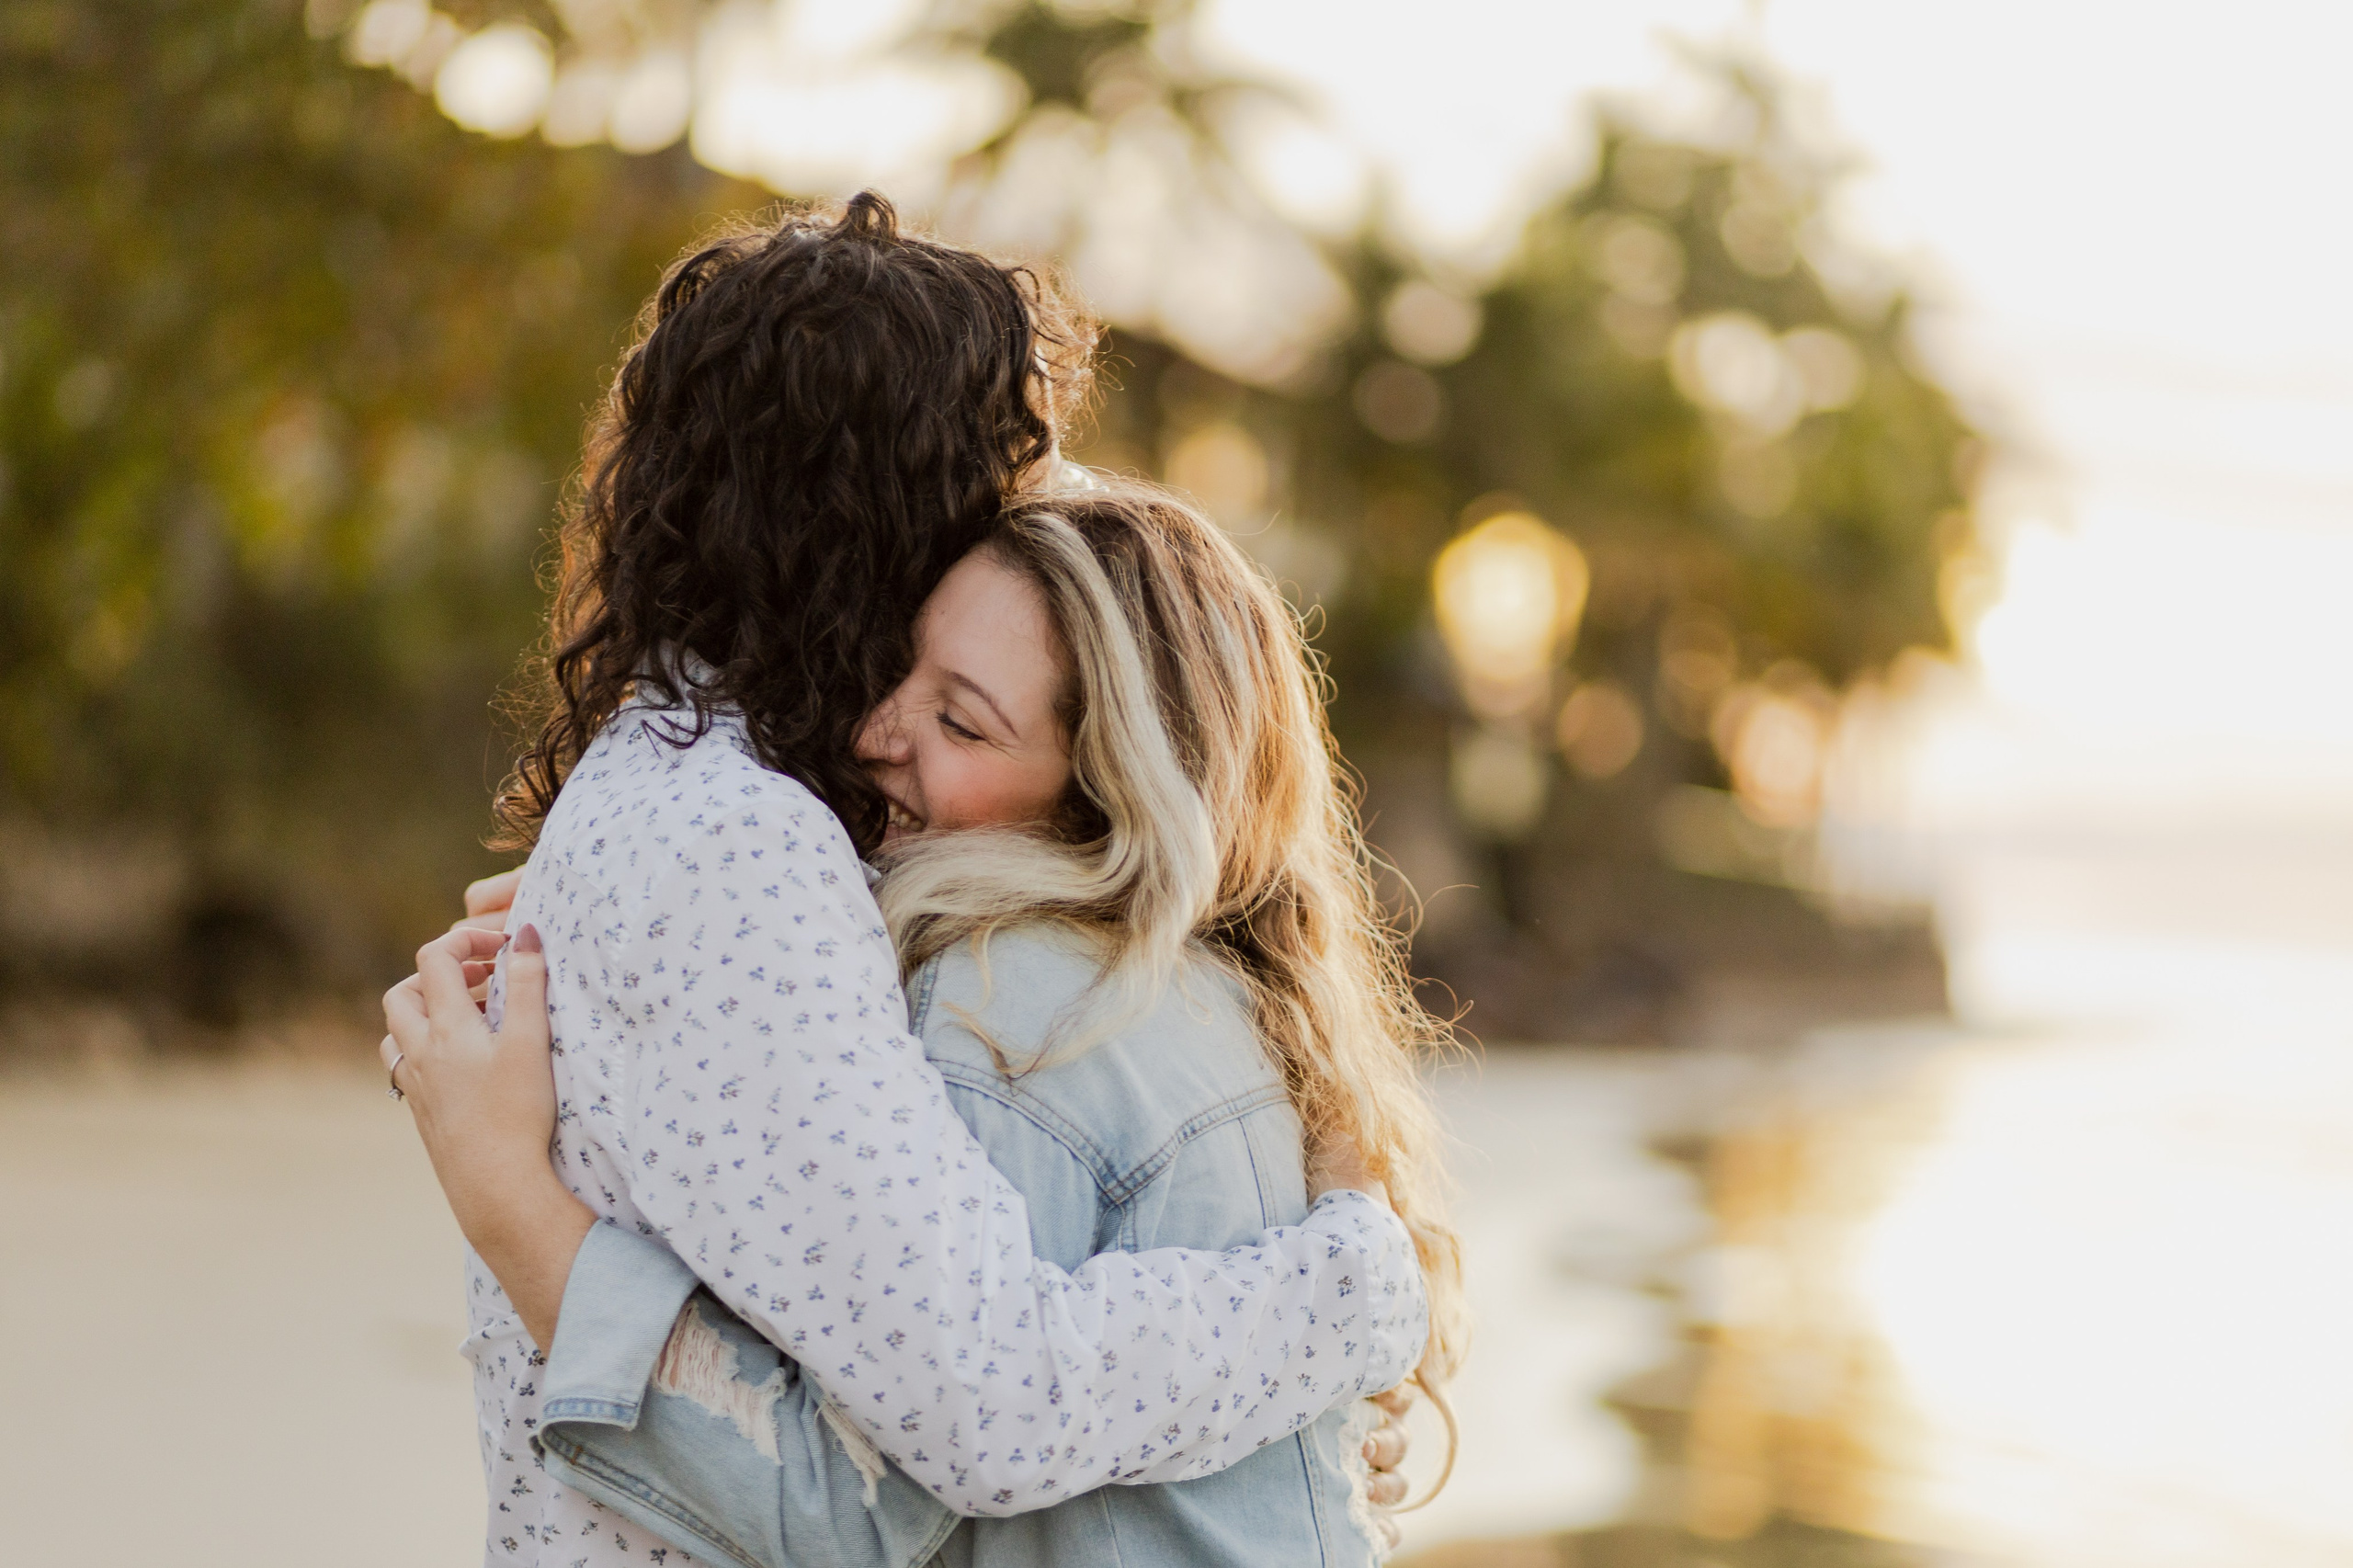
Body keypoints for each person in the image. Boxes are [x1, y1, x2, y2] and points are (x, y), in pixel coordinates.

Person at [377, 196, 1435, 1568]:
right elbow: (986, 1407)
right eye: (992, 486)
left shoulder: (697, 799)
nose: (1028, 509)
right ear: (880, 527)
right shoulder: (742, 846)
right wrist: (1348, 1296)